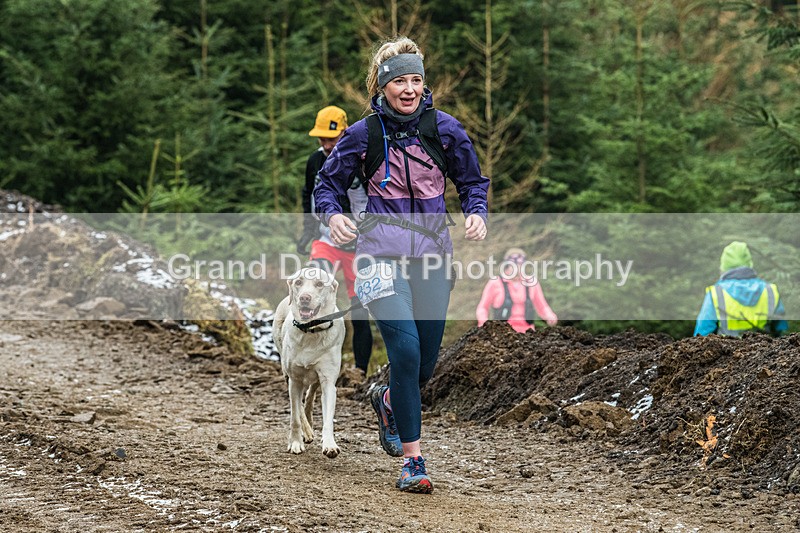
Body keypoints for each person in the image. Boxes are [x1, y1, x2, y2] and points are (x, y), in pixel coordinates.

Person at [313, 37, 489, 494]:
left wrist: (475, 210)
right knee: (405, 353)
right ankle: (413, 462)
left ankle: (388, 398)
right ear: (382, 86)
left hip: (432, 256)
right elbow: (326, 186)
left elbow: (473, 181)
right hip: (378, 256)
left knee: (425, 364)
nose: (409, 89)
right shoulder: (363, 135)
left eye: (416, 80)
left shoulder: (445, 129)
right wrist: (333, 217)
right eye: (399, 82)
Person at [298, 105, 373, 374]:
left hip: (360, 246)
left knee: (360, 311)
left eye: (331, 138)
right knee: (312, 296)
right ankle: (309, 362)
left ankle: (359, 372)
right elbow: (309, 195)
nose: (326, 144)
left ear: (345, 132)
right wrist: (308, 230)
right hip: (326, 240)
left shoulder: (364, 160)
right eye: (322, 138)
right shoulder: (315, 161)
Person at [694, 241, 787, 336]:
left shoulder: (716, 293)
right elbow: (781, 331)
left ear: (723, 267)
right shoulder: (770, 291)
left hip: (726, 350)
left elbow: (702, 334)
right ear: (749, 264)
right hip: (766, 349)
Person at [475, 248, 558, 333]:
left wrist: (550, 316)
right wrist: (484, 324)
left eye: (520, 265)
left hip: (527, 333)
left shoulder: (532, 283)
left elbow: (542, 307)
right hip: (502, 333)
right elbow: (482, 308)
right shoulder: (495, 283)